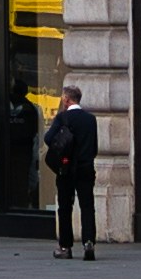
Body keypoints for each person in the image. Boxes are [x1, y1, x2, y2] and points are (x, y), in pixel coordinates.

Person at [45, 84, 103, 260]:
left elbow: (48, 138)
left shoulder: (63, 118)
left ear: (66, 99)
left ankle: (65, 246)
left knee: (65, 207)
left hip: (66, 168)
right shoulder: (90, 119)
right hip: (86, 168)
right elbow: (94, 146)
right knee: (87, 206)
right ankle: (88, 243)